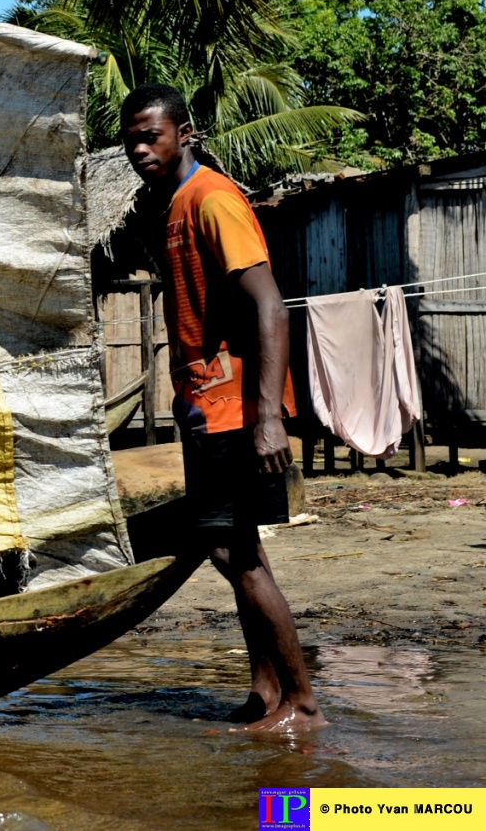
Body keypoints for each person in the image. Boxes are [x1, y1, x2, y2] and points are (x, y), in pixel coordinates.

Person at [120, 83, 326, 733]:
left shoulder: (211, 199)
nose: (138, 147)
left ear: (183, 133)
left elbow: (269, 303)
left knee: (230, 552)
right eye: (129, 137)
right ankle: (265, 693)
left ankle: (302, 703)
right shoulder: (170, 204)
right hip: (207, 403)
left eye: (150, 134)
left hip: (235, 404)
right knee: (238, 549)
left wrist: (268, 416)